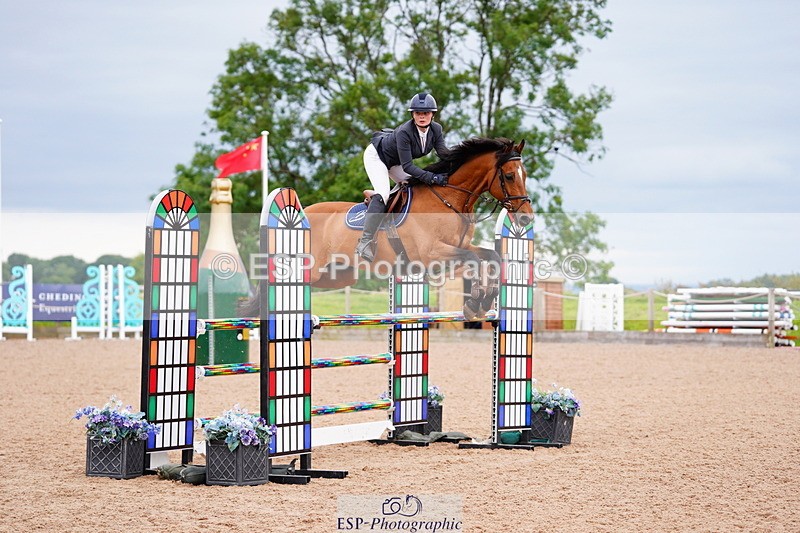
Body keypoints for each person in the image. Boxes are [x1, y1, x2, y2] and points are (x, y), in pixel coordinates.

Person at [356, 92, 450, 262]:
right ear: (412, 115)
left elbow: (444, 153)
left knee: (414, 189)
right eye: (418, 113)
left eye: (426, 113)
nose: (422, 117)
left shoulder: (436, 129)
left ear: (432, 115)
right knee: (383, 195)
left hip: (396, 161)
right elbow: (408, 167)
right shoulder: (405, 132)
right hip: (377, 157)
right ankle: (365, 241)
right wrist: (432, 177)